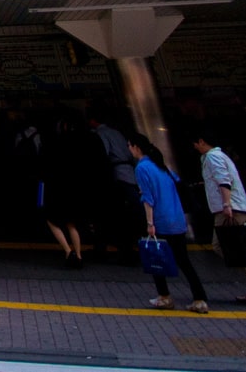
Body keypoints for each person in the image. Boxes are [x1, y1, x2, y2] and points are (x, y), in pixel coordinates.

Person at [129, 133, 207, 313]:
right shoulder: (161, 166)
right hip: (177, 217)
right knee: (184, 261)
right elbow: (178, 184)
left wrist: (149, 223)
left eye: (129, 146)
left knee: (155, 257)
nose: (129, 150)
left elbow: (148, 198)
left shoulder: (142, 168)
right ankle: (199, 299)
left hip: (160, 219)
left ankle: (164, 297)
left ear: (136, 147)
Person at [191, 130, 246, 303]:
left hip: (229, 209)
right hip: (231, 207)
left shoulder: (213, 157)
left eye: (195, 144)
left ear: (201, 141)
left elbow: (224, 180)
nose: (194, 147)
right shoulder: (219, 156)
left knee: (230, 248)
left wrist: (226, 204)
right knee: (234, 249)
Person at [40, 110, 98, 269]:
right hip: (74, 188)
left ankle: (68, 251)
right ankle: (78, 255)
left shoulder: (54, 143)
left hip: (57, 188)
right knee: (71, 223)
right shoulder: (80, 143)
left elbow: (45, 166)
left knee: (51, 219)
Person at [88, 108, 139, 263]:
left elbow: (102, 154)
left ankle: (114, 249)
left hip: (116, 177)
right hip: (129, 175)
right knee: (126, 215)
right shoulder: (117, 133)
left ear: (92, 121)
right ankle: (128, 248)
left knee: (111, 214)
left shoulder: (101, 135)